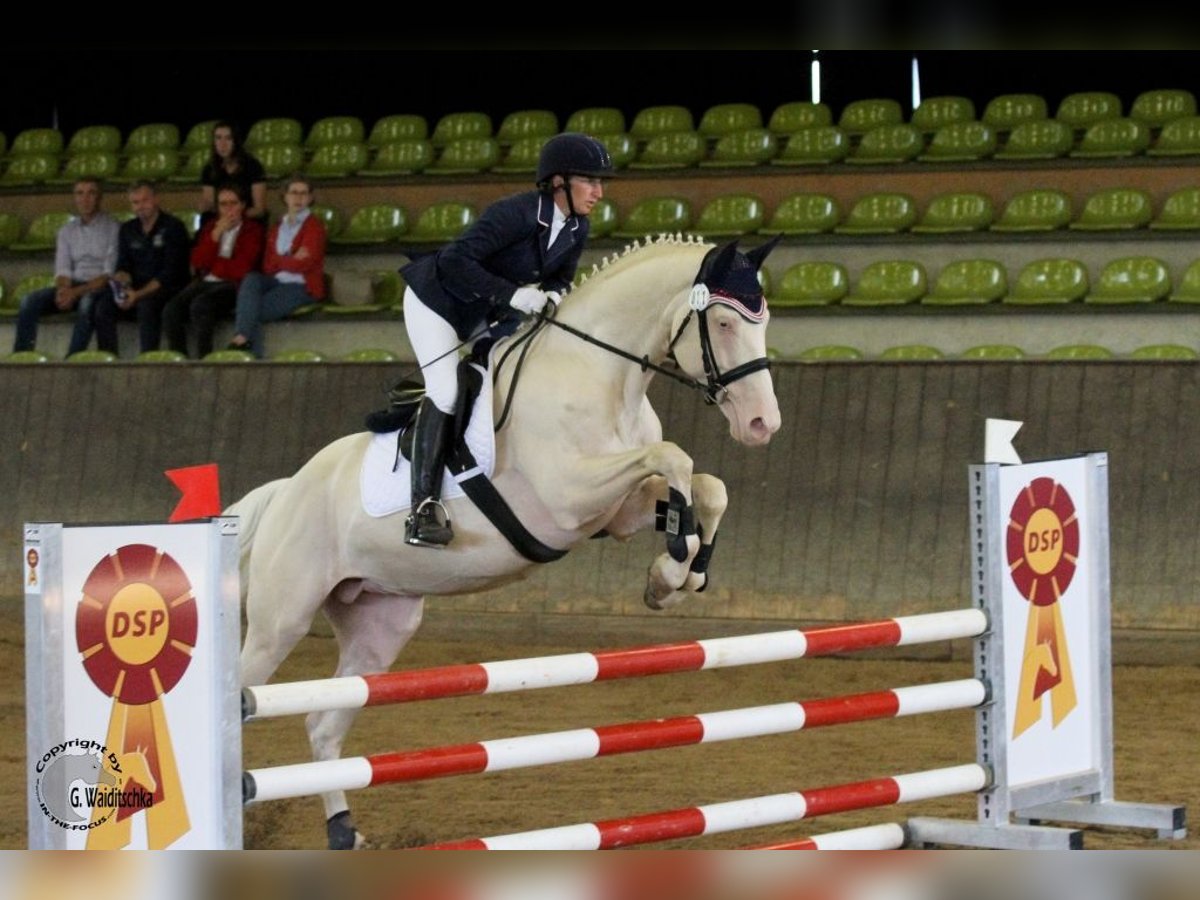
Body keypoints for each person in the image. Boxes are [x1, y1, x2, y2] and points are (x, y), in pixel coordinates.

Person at [397, 132, 613, 548]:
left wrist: (554, 294)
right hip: (437, 301)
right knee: (445, 390)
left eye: (601, 182)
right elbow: (457, 259)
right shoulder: (515, 213)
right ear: (559, 182)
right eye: (591, 181)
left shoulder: (577, 227)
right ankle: (421, 509)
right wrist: (512, 294)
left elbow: (560, 278)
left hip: (485, 310)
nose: (599, 193)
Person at [12, 178, 119, 357]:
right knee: (28, 302)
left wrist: (75, 292)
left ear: (99, 197)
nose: (85, 199)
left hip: (99, 287)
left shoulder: (114, 228)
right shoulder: (66, 231)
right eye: (79, 193)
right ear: (74, 198)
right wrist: (63, 290)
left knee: (87, 304)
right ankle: (22, 356)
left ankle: (72, 358)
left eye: (91, 193)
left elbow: (109, 274)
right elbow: (62, 268)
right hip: (73, 284)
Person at [227, 174, 327, 358]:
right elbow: (268, 263)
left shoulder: (314, 227)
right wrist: (290, 258)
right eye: (294, 193)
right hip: (276, 280)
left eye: (304, 193)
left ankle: (244, 344)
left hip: (301, 286)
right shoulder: (277, 227)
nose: (298, 198)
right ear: (285, 196)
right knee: (251, 279)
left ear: (311, 198)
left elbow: (305, 263)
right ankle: (245, 342)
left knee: (250, 311)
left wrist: (280, 259)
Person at [162, 184, 265, 359]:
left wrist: (217, 264)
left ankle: (205, 358)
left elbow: (242, 267)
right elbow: (198, 261)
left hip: (234, 286)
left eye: (233, 203)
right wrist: (216, 235)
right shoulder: (211, 227)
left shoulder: (253, 230)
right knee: (171, 310)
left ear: (243, 205)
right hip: (207, 281)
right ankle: (179, 358)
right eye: (223, 204)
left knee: (201, 305)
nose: (228, 209)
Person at [92, 181, 191, 356]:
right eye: (135, 202)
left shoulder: (174, 227)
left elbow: (170, 272)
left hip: (169, 288)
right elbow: (123, 265)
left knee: (146, 306)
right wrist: (122, 285)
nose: (140, 206)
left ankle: (148, 359)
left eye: (145, 200)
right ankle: (108, 358)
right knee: (104, 305)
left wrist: (137, 295)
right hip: (136, 287)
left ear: (156, 199)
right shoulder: (127, 229)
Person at [199, 121, 267, 222]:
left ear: (236, 141)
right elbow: (210, 205)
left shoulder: (253, 166)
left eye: (228, 138)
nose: (222, 144)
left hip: (246, 220)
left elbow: (259, 209)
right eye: (218, 138)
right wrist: (205, 206)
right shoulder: (209, 169)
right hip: (221, 220)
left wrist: (234, 216)